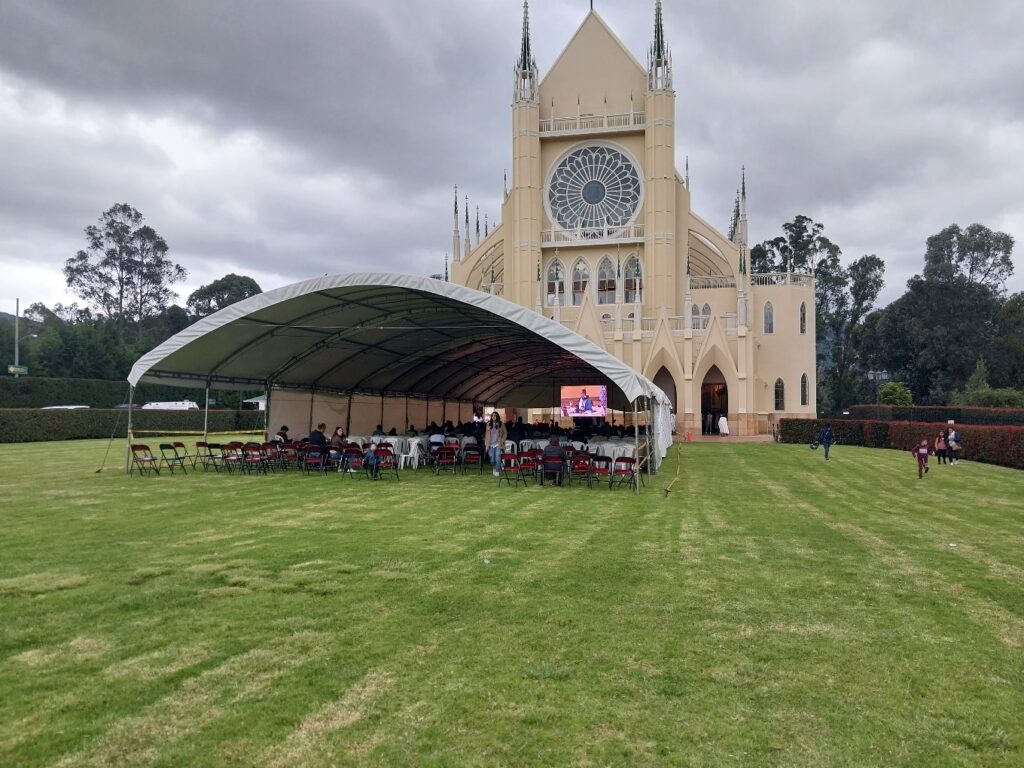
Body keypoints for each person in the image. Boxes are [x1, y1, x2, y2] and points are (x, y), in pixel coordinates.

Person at [484, 412, 507, 477]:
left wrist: (502, 440)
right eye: (492, 415)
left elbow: (505, 433)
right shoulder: (488, 424)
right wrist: (486, 445)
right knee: (492, 458)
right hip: (490, 444)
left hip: (498, 444)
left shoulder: (501, 424)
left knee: (497, 458)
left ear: (497, 416)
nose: (493, 417)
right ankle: (494, 467)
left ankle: (497, 471)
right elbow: (486, 435)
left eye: (495, 415)